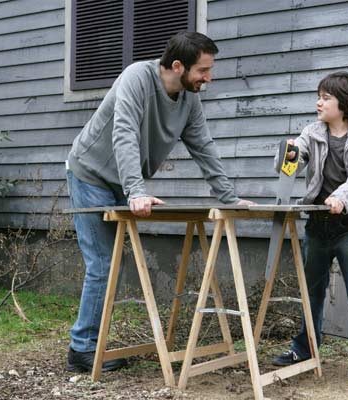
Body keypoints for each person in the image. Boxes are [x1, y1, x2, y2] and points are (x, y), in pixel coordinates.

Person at [65, 31, 254, 373]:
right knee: (104, 264)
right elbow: (124, 132)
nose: (208, 78)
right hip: (90, 173)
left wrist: (229, 197)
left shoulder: (188, 99)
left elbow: (204, 148)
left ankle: (92, 343)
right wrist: (136, 191)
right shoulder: (137, 77)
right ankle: (81, 349)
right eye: (203, 71)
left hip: (123, 178)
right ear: (178, 66)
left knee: (115, 265)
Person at [271, 72, 348, 391]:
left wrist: (340, 197)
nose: (318, 102)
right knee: (311, 290)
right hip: (318, 225)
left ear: (346, 104)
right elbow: (293, 164)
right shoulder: (312, 132)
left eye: (325, 97)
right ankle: (304, 347)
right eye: (318, 96)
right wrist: (290, 154)